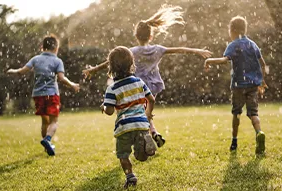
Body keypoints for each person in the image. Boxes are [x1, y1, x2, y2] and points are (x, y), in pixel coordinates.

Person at [83, 4, 213, 148]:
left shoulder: (132, 51)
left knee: (136, 112)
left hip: (136, 86)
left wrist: (94, 69)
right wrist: (196, 51)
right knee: (146, 112)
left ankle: (145, 137)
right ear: (151, 36)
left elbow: (111, 60)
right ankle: (154, 133)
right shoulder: (158, 49)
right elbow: (179, 49)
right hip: (152, 86)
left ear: (136, 35)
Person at [204, 16, 268, 155]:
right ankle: (259, 132)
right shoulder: (252, 44)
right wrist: (261, 81)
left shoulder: (233, 45)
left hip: (238, 86)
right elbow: (262, 64)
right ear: (244, 29)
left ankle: (234, 141)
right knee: (253, 113)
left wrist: (209, 60)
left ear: (232, 30)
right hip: (252, 85)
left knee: (236, 114)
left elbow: (223, 60)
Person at [7, 34, 80, 156]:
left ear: (42, 47)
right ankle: (47, 140)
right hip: (51, 94)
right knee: (54, 121)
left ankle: (47, 147)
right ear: (56, 48)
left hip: (38, 95)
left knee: (44, 122)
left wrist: (12, 71)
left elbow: (21, 71)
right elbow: (61, 78)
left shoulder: (36, 59)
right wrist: (72, 85)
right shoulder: (57, 61)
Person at [101, 46, 157, 189]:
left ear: (111, 67)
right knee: (141, 156)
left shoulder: (112, 88)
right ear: (131, 64)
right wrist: (148, 115)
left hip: (124, 127)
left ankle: (130, 176)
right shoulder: (138, 82)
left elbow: (109, 111)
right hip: (141, 124)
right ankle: (145, 145)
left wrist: (104, 106)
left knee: (123, 155)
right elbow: (151, 99)